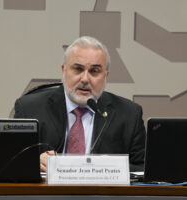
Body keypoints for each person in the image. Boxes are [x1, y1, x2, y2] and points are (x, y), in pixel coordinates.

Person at [14, 36, 146, 172]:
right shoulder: (30, 108)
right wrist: (33, 162)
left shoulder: (129, 114)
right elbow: (10, 163)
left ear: (106, 76)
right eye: (78, 69)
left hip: (102, 192)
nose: (85, 79)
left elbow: (143, 169)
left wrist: (111, 166)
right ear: (63, 70)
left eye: (94, 71)